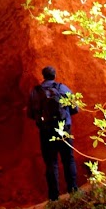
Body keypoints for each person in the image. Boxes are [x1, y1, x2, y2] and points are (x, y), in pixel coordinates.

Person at [27, 65, 79, 201]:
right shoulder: (63, 88)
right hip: (64, 129)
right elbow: (75, 109)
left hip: (46, 131)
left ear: (43, 76)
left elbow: (31, 114)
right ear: (55, 75)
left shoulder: (35, 92)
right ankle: (73, 191)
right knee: (69, 159)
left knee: (51, 163)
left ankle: (54, 197)